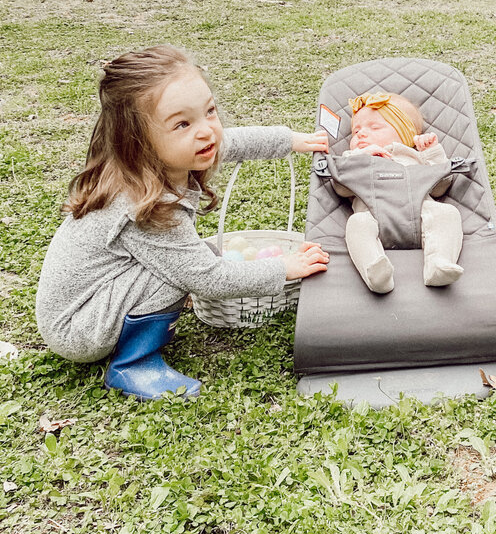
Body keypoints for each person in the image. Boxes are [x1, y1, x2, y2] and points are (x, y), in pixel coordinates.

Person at [35, 46, 330, 400]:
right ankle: (133, 363)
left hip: (94, 302)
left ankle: (140, 332)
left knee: (188, 259)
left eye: (209, 111)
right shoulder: (147, 204)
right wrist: (283, 267)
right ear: (138, 141)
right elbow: (209, 279)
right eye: (183, 123)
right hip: (78, 327)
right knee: (185, 267)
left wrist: (291, 141)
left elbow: (227, 143)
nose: (207, 131)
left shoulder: (161, 159)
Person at [331, 92, 463, 294]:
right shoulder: (353, 159)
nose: (361, 134)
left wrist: (432, 152)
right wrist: (361, 157)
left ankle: (439, 263)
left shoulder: (414, 156)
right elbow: (341, 187)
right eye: (355, 131)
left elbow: (440, 187)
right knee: (356, 224)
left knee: (447, 213)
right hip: (374, 218)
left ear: (406, 135)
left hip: (420, 216)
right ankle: (375, 272)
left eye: (374, 127)